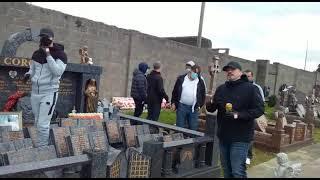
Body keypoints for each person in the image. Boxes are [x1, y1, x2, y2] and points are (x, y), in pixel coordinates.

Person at [206, 61, 264, 178]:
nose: (229, 71)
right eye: (228, 70)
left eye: (232, 69)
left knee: (237, 171)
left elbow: (259, 110)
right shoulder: (222, 89)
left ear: (240, 72)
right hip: (224, 135)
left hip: (241, 137)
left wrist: (238, 115)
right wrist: (209, 102)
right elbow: (212, 109)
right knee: (226, 170)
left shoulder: (251, 89)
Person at [24, 27, 67, 147]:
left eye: (46, 37)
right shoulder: (36, 54)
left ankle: (42, 150)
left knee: (43, 124)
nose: (43, 40)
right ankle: (40, 146)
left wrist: (48, 54)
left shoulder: (60, 54)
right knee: (37, 122)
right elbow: (32, 69)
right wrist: (28, 75)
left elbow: (57, 72)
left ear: (51, 39)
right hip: (35, 92)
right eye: (42, 37)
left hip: (49, 92)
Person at [171, 64, 206, 130]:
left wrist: (199, 106)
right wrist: (173, 103)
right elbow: (175, 92)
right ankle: (180, 138)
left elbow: (202, 94)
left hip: (194, 108)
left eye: (197, 74)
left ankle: (190, 139)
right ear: (190, 71)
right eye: (195, 73)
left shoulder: (200, 81)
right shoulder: (181, 79)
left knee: (193, 127)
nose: (196, 75)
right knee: (180, 126)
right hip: (182, 106)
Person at [243, 69, 265, 165]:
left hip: (251, 116)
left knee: (249, 137)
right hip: (241, 115)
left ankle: (248, 156)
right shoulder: (241, 86)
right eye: (245, 76)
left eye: (248, 76)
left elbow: (261, 103)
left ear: (252, 77)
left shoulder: (257, 87)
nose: (246, 78)